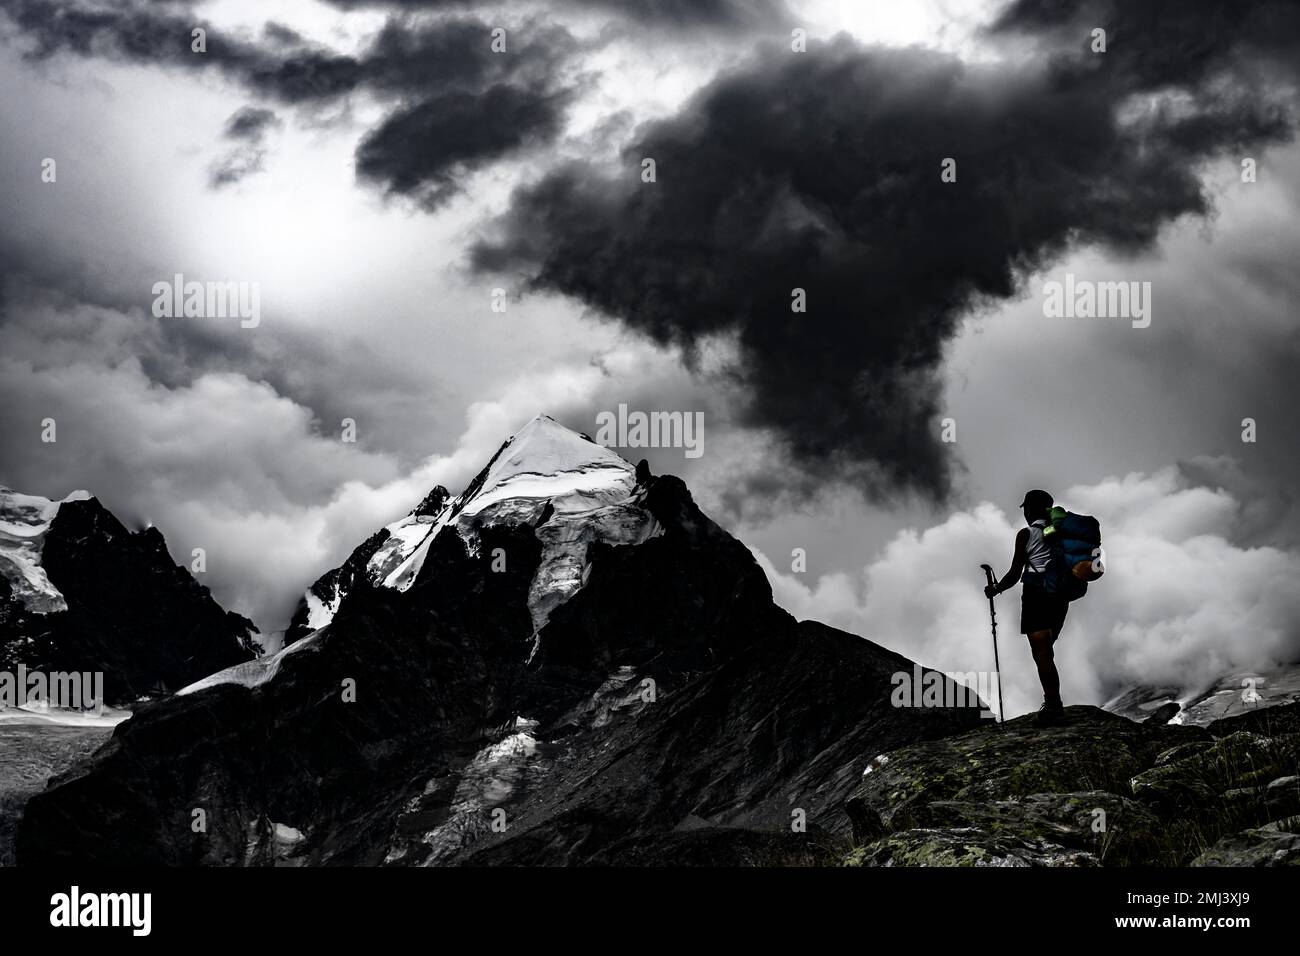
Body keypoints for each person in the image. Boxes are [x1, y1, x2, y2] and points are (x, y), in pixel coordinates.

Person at [984, 489, 1068, 726]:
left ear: (1030, 509)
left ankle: (1053, 706)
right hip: (1060, 598)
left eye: (1026, 509)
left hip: (1036, 596)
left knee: (1042, 654)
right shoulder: (1062, 531)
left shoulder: (1026, 534)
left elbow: (1014, 572)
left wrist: (996, 589)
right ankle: (1053, 703)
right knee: (1046, 652)